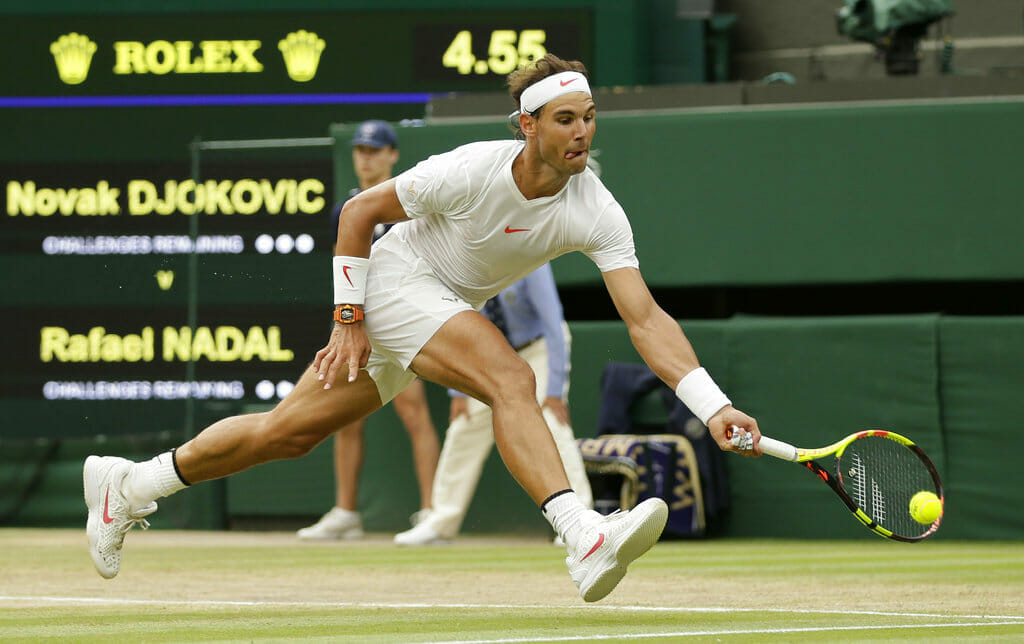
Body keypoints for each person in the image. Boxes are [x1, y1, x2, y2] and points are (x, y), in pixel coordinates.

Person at [83, 54, 762, 603]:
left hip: (435, 309)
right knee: (511, 377)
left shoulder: (596, 208)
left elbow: (644, 317)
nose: (581, 131)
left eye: (588, 117)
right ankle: (581, 535)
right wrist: (348, 318)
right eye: (564, 119)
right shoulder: (467, 170)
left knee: (285, 434)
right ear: (527, 126)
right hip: (397, 280)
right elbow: (357, 212)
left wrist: (713, 406)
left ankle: (131, 486)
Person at [298, 120, 440, 539]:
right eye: (361, 150)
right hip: (353, 321)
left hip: (403, 318)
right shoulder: (342, 211)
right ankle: (346, 513)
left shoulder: (410, 202)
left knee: (414, 413)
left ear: (393, 155)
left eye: (376, 150)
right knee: (345, 418)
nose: (367, 157)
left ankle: (432, 511)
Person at [394, 264, 592, 546]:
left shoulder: (530, 259)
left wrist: (555, 391)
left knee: (551, 423)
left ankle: (580, 520)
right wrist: (458, 393)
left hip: (538, 350)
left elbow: (553, 323)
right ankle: (440, 522)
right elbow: (455, 330)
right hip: (491, 354)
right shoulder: (464, 261)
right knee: (465, 428)